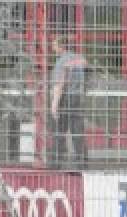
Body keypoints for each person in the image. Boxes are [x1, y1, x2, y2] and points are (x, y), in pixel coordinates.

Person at [48, 35, 88, 168]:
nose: (52, 47)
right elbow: (85, 63)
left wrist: (54, 104)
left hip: (65, 98)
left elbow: (59, 84)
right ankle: (81, 163)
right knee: (77, 131)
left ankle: (56, 163)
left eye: (54, 45)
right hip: (78, 97)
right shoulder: (77, 57)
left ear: (61, 47)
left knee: (59, 131)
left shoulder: (60, 62)